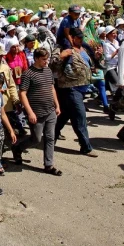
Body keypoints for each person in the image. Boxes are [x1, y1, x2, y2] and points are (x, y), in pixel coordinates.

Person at [12, 48, 62, 174]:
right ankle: (18, 148)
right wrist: (30, 112)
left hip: (50, 110)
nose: (46, 62)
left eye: (47, 59)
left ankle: (48, 165)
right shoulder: (28, 74)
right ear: (36, 59)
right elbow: (22, 93)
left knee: (50, 137)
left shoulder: (48, 71)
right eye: (44, 59)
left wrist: (57, 105)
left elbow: (52, 88)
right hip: (36, 112)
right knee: (36, 139)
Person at [51, 28, 97, 157]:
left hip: (82, 88)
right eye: (78, 38)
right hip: (70, 88)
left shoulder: (84, 49)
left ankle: (50, 138)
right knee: (79, 117)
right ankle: (86, 146)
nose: (81, 40)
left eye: (82, 38)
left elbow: (88, 63)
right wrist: (61, 56)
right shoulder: (61, 48)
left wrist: (96, 59)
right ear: (71, 37)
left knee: (64, 115)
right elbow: (52, 66)